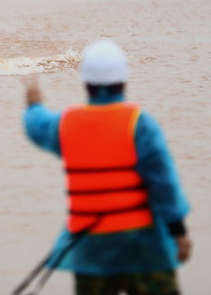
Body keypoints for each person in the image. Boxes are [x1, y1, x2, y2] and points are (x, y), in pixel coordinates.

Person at [20, 40, 192, 295]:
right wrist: (178, 230)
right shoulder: (140, 123)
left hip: (91, 250)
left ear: (85, 82)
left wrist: (34, 103)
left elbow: (37, 126)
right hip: (142, 248)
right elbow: (164, 183)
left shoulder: (67, 123)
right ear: (123, 80)